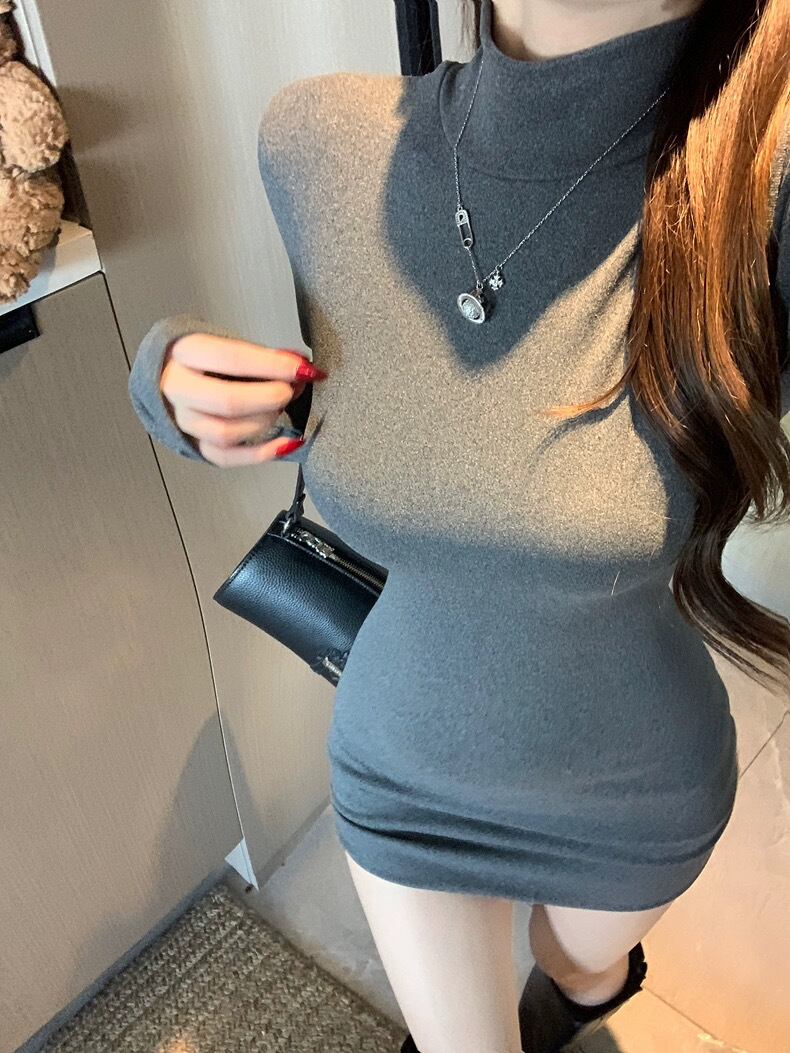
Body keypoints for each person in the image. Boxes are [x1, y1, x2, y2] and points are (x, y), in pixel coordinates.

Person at [128, 1, 790, 1050]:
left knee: (578, 975)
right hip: (406, 770)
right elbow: (375, 410)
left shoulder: (760, 179)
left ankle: (576, 1000)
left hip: (633, 790)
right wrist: (168, 376)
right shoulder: (317, 142)